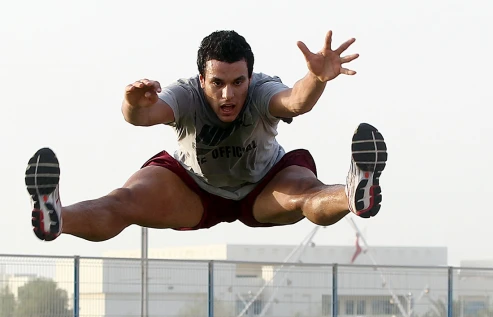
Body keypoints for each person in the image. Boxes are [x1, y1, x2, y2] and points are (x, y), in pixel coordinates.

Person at [25, 30, 387, 242]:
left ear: (250, 77)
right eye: (217, 83)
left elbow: (293, 102)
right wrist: (132, 103)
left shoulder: (261, 90)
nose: (228, 95)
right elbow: (143, 116)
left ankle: (354, 193)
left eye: (237, 83)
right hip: (193, 188)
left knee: (307, 195)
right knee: (123, 202)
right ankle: (56, 215)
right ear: (201, 80)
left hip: (264, 184)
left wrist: (317, 78)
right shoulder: (185, 94)